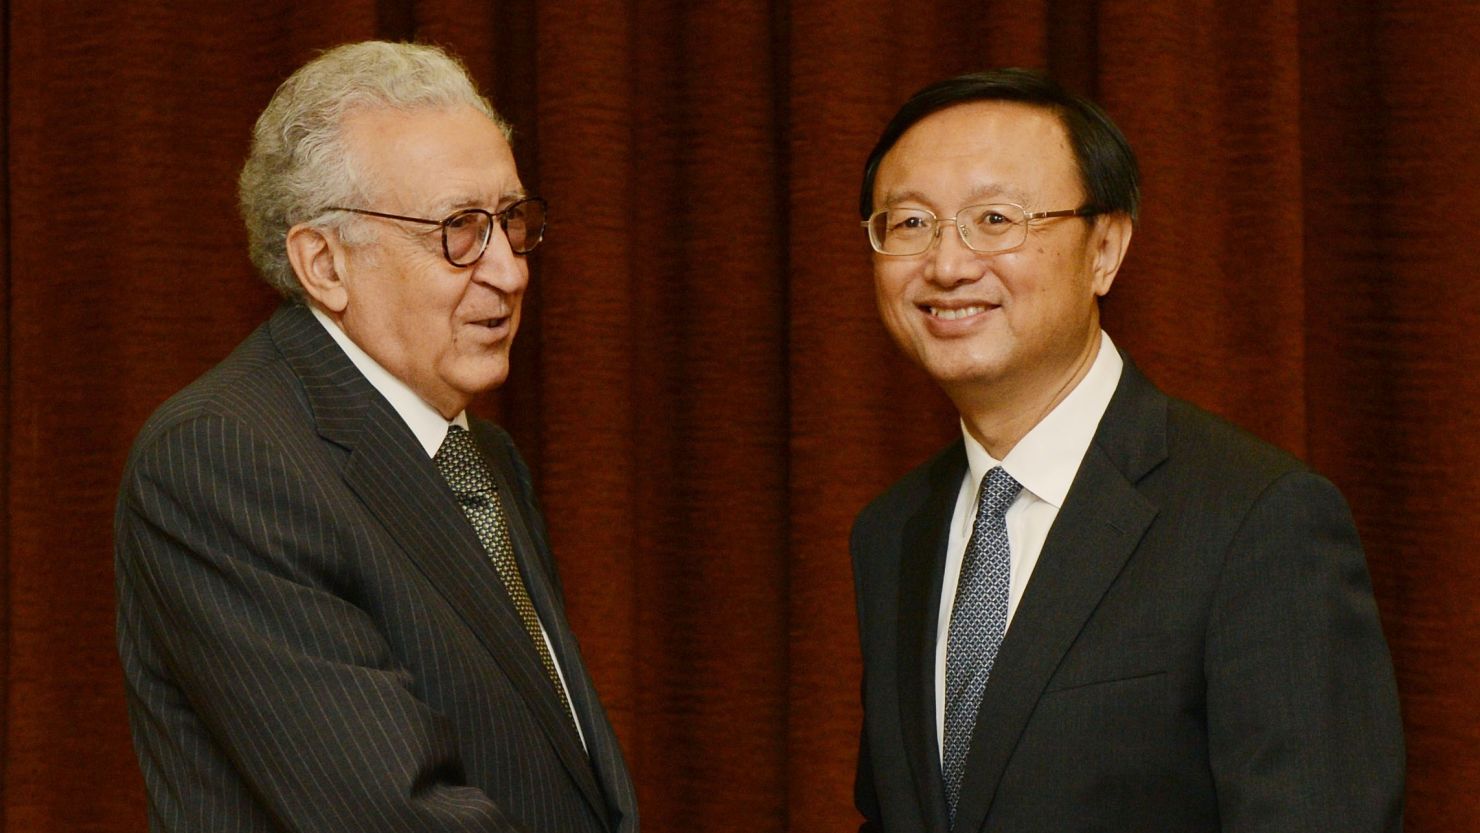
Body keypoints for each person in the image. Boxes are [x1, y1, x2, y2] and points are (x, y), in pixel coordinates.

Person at [849, 69, 1404, 833]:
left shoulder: (1257, 518)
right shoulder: (892, 531)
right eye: (911, 223)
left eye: (995, 218)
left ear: (1105, 249)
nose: (947, 264)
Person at [115, 41, 637, 833]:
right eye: (459, 228)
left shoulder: (482, 455)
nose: (510, 271)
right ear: (325, 264)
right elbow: (393, 812)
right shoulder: (222, 459)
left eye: (510, 222)